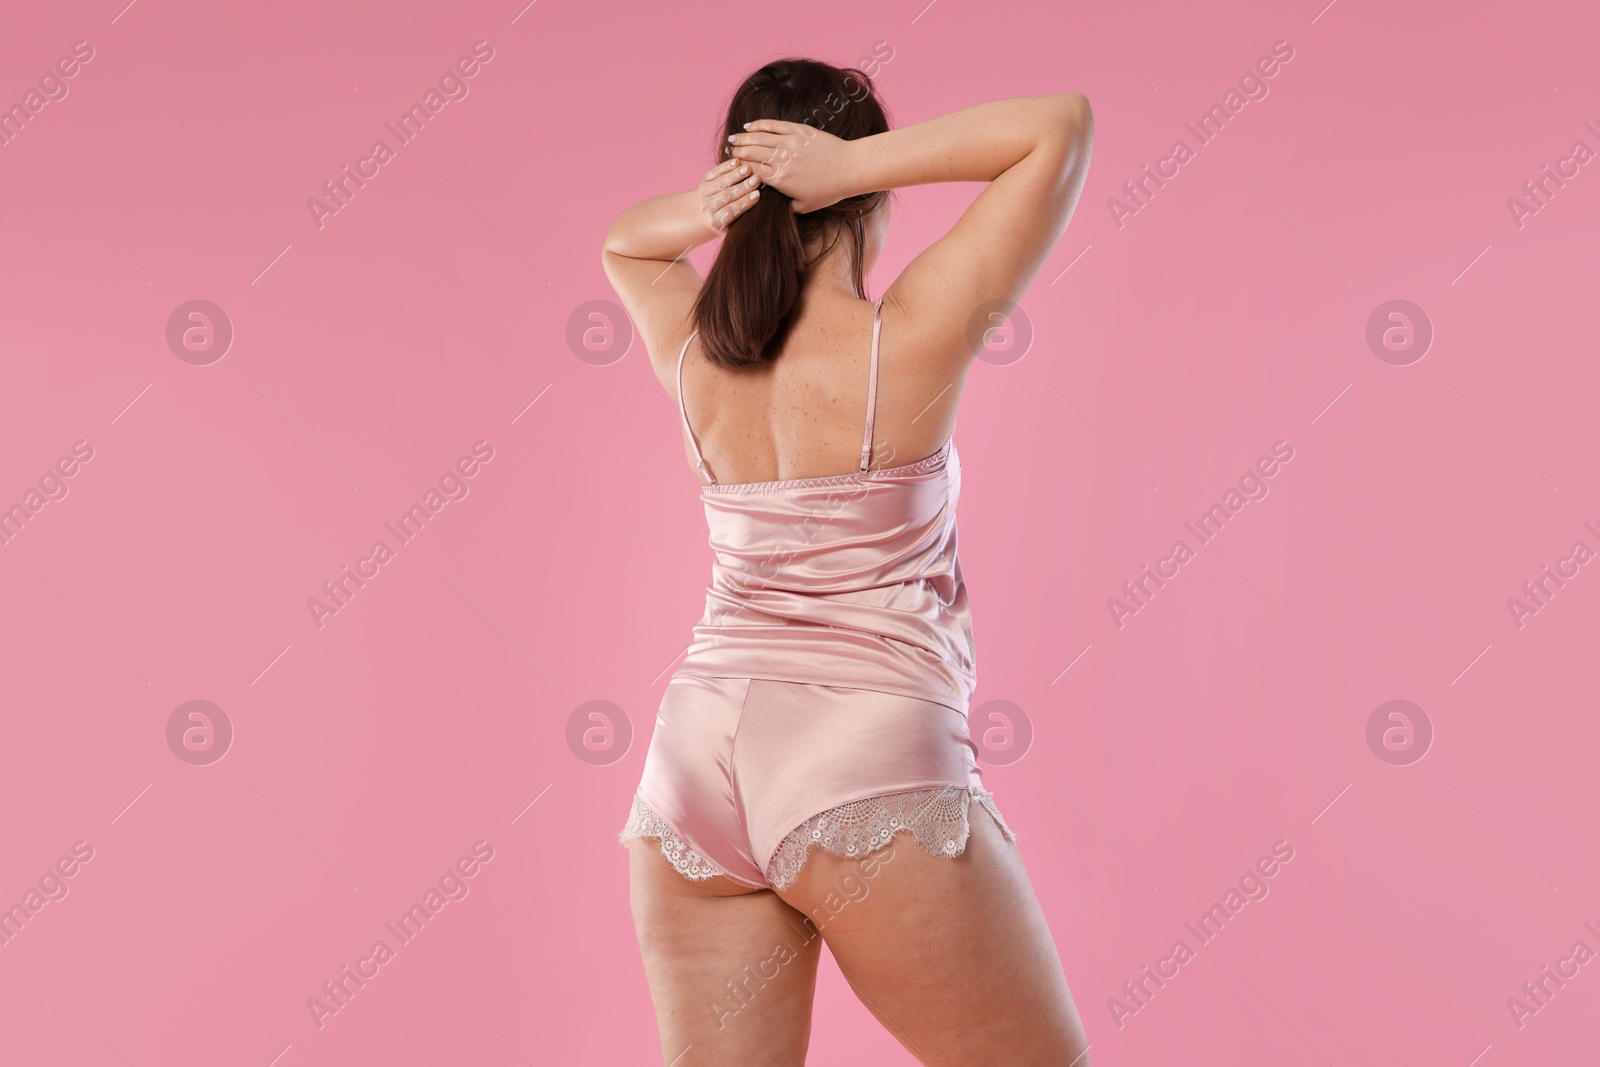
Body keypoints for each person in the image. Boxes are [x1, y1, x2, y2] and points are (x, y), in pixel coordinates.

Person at [600, 56, 1094, 1066]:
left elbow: (624, 243)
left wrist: (713, 204)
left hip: (696, 762)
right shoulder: (903, 338)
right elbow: (1058, 127)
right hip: (863, 752)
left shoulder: (694, 347)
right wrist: (853, 163)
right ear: (860, 188)